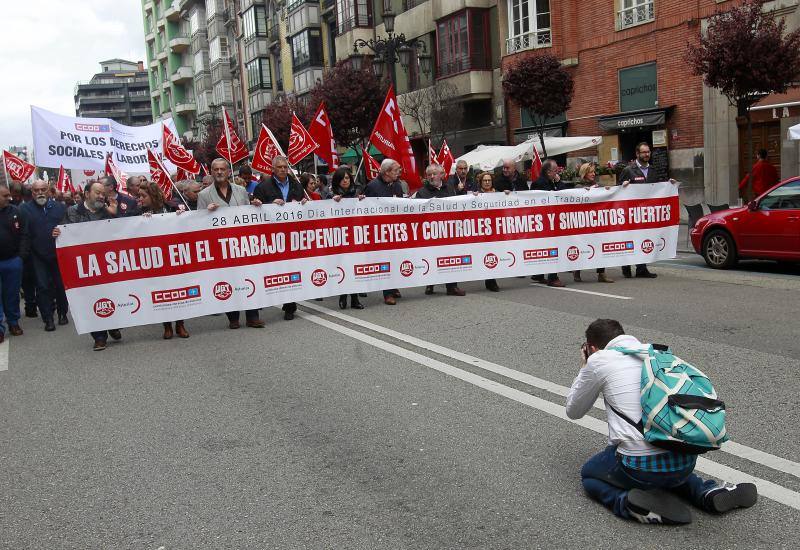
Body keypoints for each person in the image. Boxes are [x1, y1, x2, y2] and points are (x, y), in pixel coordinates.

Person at [567, 319, 758, 524]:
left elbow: (574, 411)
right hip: (686, 459)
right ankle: (707, 493)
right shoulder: (658, 354)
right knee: (666, 459)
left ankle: (628, 504)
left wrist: (586, 366)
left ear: (592, 347)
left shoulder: (600, 360)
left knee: (590, 475)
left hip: (638, 468)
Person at [198, 158, 266, 329]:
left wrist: (256, 205)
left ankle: (252, 316)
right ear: (211, 172)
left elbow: (248, 214)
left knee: (248, 277)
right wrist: (207, 213)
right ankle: (233, 317)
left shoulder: (241, 190)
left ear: (229, 172)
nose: (219, 172)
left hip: (242, 244)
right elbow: (198, 224)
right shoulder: (204, 195)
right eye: (216, 169)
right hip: (220, 246)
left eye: (222, 169)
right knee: (228, 279)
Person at [53, 181, 121, 351]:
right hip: (84, 265)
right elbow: (64, 232)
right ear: (86, 193)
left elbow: (121, 232)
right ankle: (99, 336)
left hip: (106, 263)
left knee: (111, 293)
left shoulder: (107, 211)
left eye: (103, 193)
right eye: (97, 192)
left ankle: (113, 325)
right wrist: (57, 233)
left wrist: (115, 214)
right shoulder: (72, 211)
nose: (101, 196)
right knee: (91, 297)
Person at [253, 155, 307, 320]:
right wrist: (270, 204)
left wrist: (303, 202)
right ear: (273, 168)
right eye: (280, 167)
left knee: (292, 268)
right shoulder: (263, 186)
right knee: (280, 269)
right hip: (273, 235)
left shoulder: (296, 184)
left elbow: (301, 202)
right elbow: (256, 207)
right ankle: (284, 300)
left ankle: (290, 305)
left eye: (285, 167)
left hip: (293, 233)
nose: (283, 169)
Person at [137, 180, 190, 339]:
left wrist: (181, 216)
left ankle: (180, 324)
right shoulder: (141, 213)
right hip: (156, 258)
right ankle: (167, 325)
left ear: (153, 195)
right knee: (162, 291)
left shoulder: (172, 207)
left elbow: (188, 222)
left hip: (174, 256)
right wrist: (142, 222)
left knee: (178, 289)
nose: (140, 199)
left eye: (143, 196)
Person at [20, 180, 69, 331]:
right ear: (32, 192)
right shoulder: (25, 209)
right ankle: (48, 318)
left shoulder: (60, 208)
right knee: (42, 287)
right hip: (37, 255)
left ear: (48, 191)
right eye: (36, 190)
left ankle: (62, 313)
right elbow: (24, 234)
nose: (40, 192)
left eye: (43, 189)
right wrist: (23, 256)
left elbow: (68, 227)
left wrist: (62, 231)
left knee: (61, 285)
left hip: (58, 254)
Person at [416, 164, 465, 297]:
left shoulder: (450, 188)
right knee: (432, 258)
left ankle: (452, 287)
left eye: (434, 174)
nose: (432, 177)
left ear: (441, 175)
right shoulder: (422, 192)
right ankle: (430, 284)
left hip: (448, 230)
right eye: (429, 175)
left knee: (450, 257)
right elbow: (418, 213)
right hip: (432, 231)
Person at [364, 159, 404, 305]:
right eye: (396, 169)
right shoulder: (372, 186)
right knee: (385, 260)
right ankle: (387, 293)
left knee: (395, 258)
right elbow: (365, 209)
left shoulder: (398, 185)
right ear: (387, 172)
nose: (399, 172)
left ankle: (393, 287)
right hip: (380, 230)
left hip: (396, 229)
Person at [619, 143, 660, 279]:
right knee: (630, 240)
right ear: (637, 154)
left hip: (647, 213)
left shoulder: (654, 170)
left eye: (648, 152)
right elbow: (617, 192)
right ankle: (626, 267)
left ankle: (642, 268)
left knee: (643, 239)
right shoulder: (628, 170)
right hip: (631, 213)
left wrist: (670, 185)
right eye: (644, 152)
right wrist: (622, 186)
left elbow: (659, 188)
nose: (647, 154)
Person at [330, 167, 366, 310]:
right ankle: (343, 295)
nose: (345, 181)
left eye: (347, 178)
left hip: (355, 234)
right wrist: (332, 202)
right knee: (342, 266)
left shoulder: (357, 192)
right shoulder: (331, 194)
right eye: (342, 178)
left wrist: (362, 200)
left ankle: (355, 298)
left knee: (354, 266)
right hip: (339, 236)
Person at [572, 163, 613, 284]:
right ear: (584, 173)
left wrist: (608, 190)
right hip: (583, 222)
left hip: (596, 221)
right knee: (581, 246)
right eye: (591, 172)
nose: (593, 174)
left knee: (600, 245)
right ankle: (576, 270)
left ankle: (601, 273)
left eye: (594, 172)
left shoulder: (599, 185)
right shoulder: (578, 187)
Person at [530, 159, 567, 288]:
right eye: (555, 170)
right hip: (544, 221)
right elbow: (553, 197)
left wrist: (558, 182)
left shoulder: (552, 182)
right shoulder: (539, 184)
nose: (557, 172)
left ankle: (539, 274)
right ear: (548, 172)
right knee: (551, 248)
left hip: (552, 220)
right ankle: (552, 277)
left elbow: (564, 194)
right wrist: (556, 184)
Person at [0, 184, 29, 342]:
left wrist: (21, 256)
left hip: (12, 260)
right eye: (4, 196)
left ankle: (13, 322)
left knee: (12, 294)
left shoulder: (15, 212)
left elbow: (24, 234)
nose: (9, 198)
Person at [475, 171, 500, 292]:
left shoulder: (498, 194)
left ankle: (491, 280)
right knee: (485, 254)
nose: (487, 182)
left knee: (494, 253)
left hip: (495, 229)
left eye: (489, 180)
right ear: (480, 182)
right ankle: (489, 280)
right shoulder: (476, 195)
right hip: (481, 229)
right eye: (484, 180)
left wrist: (507, 195)